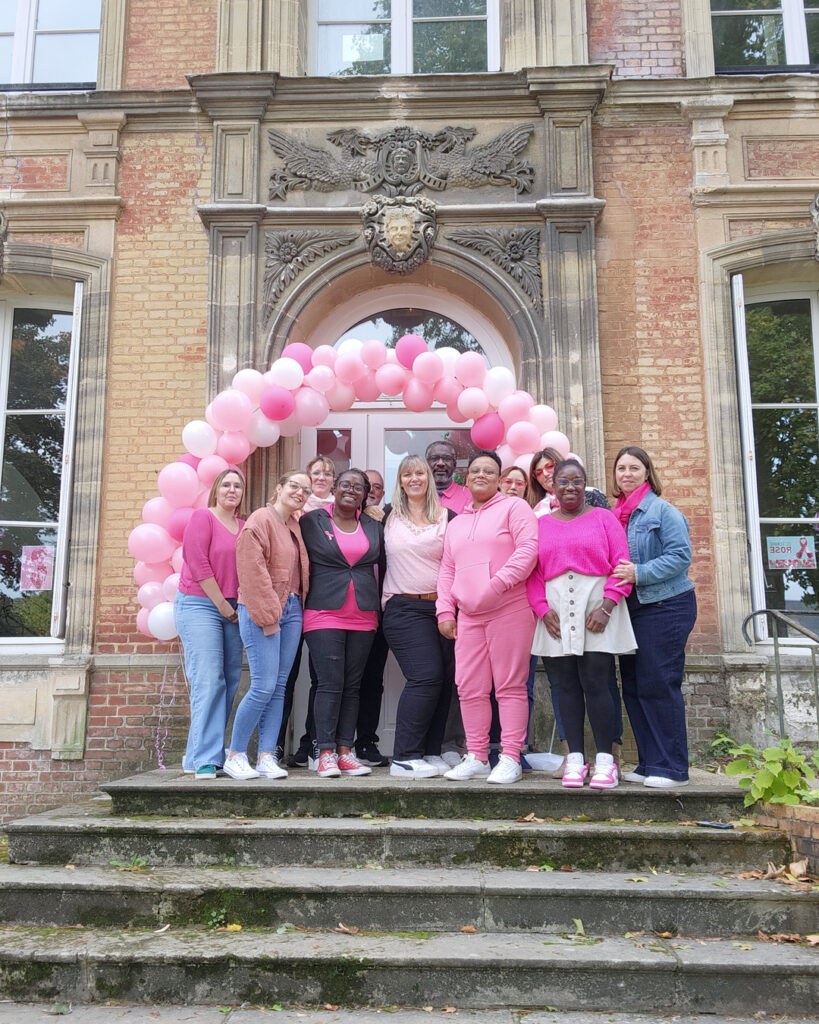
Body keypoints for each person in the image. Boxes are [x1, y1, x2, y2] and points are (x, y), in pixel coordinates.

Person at [526, 459, 635, 790]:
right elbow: (532, 573)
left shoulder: (604, 518)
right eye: (563, 481)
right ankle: (575, 758)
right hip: (556, 607)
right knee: (564, 686)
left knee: (597, 682)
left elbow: (621, 564)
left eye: (577, 481)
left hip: (596, 603)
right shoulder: (541, 524)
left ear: (585, 485)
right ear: (553, 487)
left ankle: (605, 760)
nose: (569, 487)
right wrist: (543, 609)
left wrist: (608, 604)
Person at [436, 451, 538, 785]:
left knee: (509, 685)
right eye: (475, 469)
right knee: (469, 687)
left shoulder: (514, 508)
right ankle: (477, 756)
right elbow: (447, 569)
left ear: (498, 478)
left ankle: (510, 757)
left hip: (510, 608)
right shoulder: (457, 523)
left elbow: (527, 551)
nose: (481, 474)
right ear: (466, 477)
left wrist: (496, 586)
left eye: (489, 471)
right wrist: (444, 609)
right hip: (468, 616)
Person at [611, 446, 697, 789]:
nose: (627, 474)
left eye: (634, 468)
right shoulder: (617, 513)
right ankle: (649, 762)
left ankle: (673, 768)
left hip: (666, 606)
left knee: (659, 684)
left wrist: (639, 573)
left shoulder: (663, 512)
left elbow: (681, 556)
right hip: (632, 609)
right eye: (621, 469)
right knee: (634, 686)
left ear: (647, 473)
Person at [220, 471, 311, 781]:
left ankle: (266, 756)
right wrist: (271, 613)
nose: (300, 492)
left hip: (292, 610)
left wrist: (290, 609)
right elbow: (251, 569)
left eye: (306, 490)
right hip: (263, 610)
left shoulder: (294, 526)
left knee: (279, 687)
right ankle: (234, 755)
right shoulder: (261, 519)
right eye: (295, 486)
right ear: (279, 487)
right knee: (262, 685)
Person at [300, 469, 385, 778]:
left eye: (358, 487)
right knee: (329, 683)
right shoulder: (312, 522)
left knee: (352, 686)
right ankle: (324, 752)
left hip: (363, 614)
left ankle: (345, 751)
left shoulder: (373, 524)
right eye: (346, 484)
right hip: (324, 612)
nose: (351, 490)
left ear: (365, 495)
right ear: (334, 488)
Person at [382, 455, 456, 778]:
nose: (415, 479)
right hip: (403, 608)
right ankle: (404, 756)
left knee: (442, 682)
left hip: (441, 608)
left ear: (428, 479)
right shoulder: (385, 515)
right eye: (407, 474)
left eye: (420, 473)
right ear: (400, 481)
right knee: (425, 676)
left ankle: (430, 750)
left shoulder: (447, 517)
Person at [175, 468, 245, 780]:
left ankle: (197, 755)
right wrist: (222, 605)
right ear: (216, 489)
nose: (232, 490)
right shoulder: (203, 518)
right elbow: (197, 562)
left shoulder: (245, 526)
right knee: (208, 680)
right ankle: (206, 758)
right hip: (200, 604)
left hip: (233, 609)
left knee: (229, 682)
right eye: (226, 484)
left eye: (238, 486)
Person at [354, 468, 390, 767]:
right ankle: (323, 742)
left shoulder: (387, 520)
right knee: (338, 680)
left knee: (372, 680)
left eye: (377, 487)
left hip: (380, 612)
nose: (371, 491)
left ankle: (366, 741)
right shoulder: (333, 518)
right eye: (367, 486)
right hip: (345, 612)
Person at [426, 440, 472, 514]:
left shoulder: (469, 496)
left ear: (454, 465)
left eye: (446, 458)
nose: (440, 463)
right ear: (426, 464)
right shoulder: (416, 496)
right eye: (434, 458)